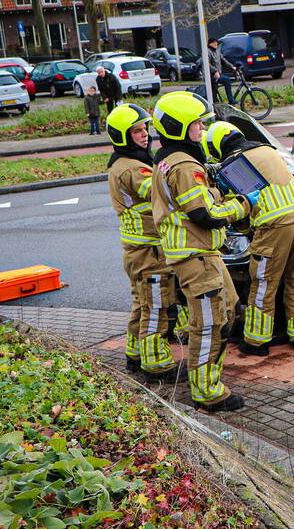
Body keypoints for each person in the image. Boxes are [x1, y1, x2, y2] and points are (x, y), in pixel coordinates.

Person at [150, 91, 256, 412]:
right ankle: (207, 392)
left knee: (229, 311)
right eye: (196, 124)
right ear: (180, 127)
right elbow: (203, 214)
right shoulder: (183, 165)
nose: (201, 129)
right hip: (196, 255)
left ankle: (208, 379)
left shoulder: (173, 158)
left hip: (203, 253)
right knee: (209, 323)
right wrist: (242, 204)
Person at [201, 121, 294, 356]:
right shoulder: (267, 149)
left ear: (216, 147)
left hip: (275, 225)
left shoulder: (233, 165)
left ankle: (256, 342)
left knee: (265, 284)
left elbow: (242, 208)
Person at [105, 103, 181, 381]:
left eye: (145, 129)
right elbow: (161, 190)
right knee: (156, 308)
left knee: (141, 304)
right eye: (136, 131)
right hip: (148, 250)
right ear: (122, 136)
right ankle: (157, 366)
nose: (144, 135)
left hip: (137, 249)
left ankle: (135, 354)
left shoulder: (123, 163)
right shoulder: (134, 169)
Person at [207, 38, 238, 105]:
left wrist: (232, 67)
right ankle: (231, 100)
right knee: (227, 80)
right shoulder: (208, 52)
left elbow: (224, 60)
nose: (216, 44)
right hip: (212, 76)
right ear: (210, 44)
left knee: (214, 93)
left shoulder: (217, 52)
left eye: (216, 42)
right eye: (214, 43)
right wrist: (215, 71)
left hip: (218, 74)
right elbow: (207, 64)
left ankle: (217, 102)